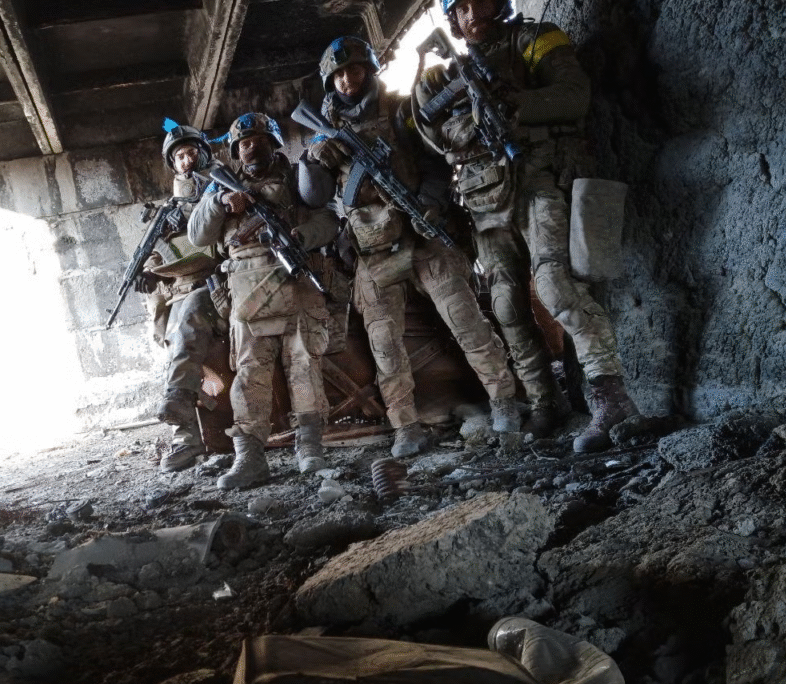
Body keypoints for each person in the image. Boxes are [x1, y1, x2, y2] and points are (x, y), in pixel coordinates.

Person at [414, 0, 639, 452]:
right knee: (506, 306)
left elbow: (574, 95)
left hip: (538, 177)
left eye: (482, 0)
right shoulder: (437, 75)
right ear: (451, 19)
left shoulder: (535, 40)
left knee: (555, 284)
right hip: (482, 198)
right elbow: (428, 133)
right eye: (460, 8)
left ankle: (611, 399)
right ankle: (543, 403)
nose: (473, 11)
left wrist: (516, 103)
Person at [298, 36, 521, 459]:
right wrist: (313, 160)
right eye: (340, 75)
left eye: (357, 70)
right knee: (385, 346)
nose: (349, 80)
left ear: (370, 70)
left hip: (423, 237)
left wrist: (433, 206)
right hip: (372, 249)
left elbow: (436, 162)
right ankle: (406, 426)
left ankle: (505, 401)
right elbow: (314, 198)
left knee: (467, 321)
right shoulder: (325, 134)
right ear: (330, 82)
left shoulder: (401, 110)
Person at [188, 112, 339, 489]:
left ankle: (310, 447)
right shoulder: (222, 186)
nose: (251, 146)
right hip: (247, 288)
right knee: (249, 373)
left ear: (274, 143)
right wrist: (222, 203)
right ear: (237, 151)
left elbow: (330, 217)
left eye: (259, 139)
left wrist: (303, 235)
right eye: (244, 142)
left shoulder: (296, 177)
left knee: (304, 366)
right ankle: (249, 456)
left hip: (298, 279)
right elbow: (196, 235)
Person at [137, 123, 223, 472]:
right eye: (180, 156)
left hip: (215, 283)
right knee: (174, 343)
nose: (187, 161)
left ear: (203, 154)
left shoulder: (220, 189)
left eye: (192, 153)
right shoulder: (167, 209)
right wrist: (147, 272)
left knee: (188, 326)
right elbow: (155, 254)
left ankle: (181, 418)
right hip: (178, 291)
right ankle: (185, 437)